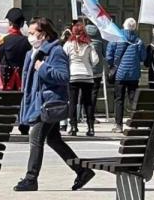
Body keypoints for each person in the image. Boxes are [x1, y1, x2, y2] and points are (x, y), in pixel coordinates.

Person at [14, 18, 96, 192]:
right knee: (54, 140)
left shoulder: (55, 52)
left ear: (43, 34)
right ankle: (82, 171)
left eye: (32, 33)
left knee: (35, 139)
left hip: (48, 104)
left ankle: (31, 179)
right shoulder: (32, 52)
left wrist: (43, 68)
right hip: (37, 103)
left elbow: (63, 76)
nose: (29, 36)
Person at [106, 17, 146, 131]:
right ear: (134, 28)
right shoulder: (139, 41)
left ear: (124, 26)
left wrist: (112, 64)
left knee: (119, 99)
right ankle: (134, 124)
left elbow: (109, 55)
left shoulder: (116, 39)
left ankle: (119, 125)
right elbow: (143, 57)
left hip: (120, 74)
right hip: (134, 75)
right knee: (133, 100)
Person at [0, 8, 32, 135]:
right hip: (22, 72)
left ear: (10, 23)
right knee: (22, 99)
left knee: (7, 101)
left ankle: (6, 125)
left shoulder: (4, 40)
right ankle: (24, 125)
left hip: (8, 72)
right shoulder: (27, 41)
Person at [63, 21, 100, 136]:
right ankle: (91, 128)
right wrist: (88, 65)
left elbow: (63, 57)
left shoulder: (68, 44)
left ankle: (73, 127)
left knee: (72, 102)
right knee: (87, 102)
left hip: (73, 75)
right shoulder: (89, 44)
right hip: (87, 75)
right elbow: (95, 60)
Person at [85, 22, 107, 135]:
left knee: (81, 95)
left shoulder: (83, 40)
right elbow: (105, 53)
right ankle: (91, 115)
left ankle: (79, 117)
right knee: (93, 95)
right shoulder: (100, 40)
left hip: (84, 72)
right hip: (97, 71)